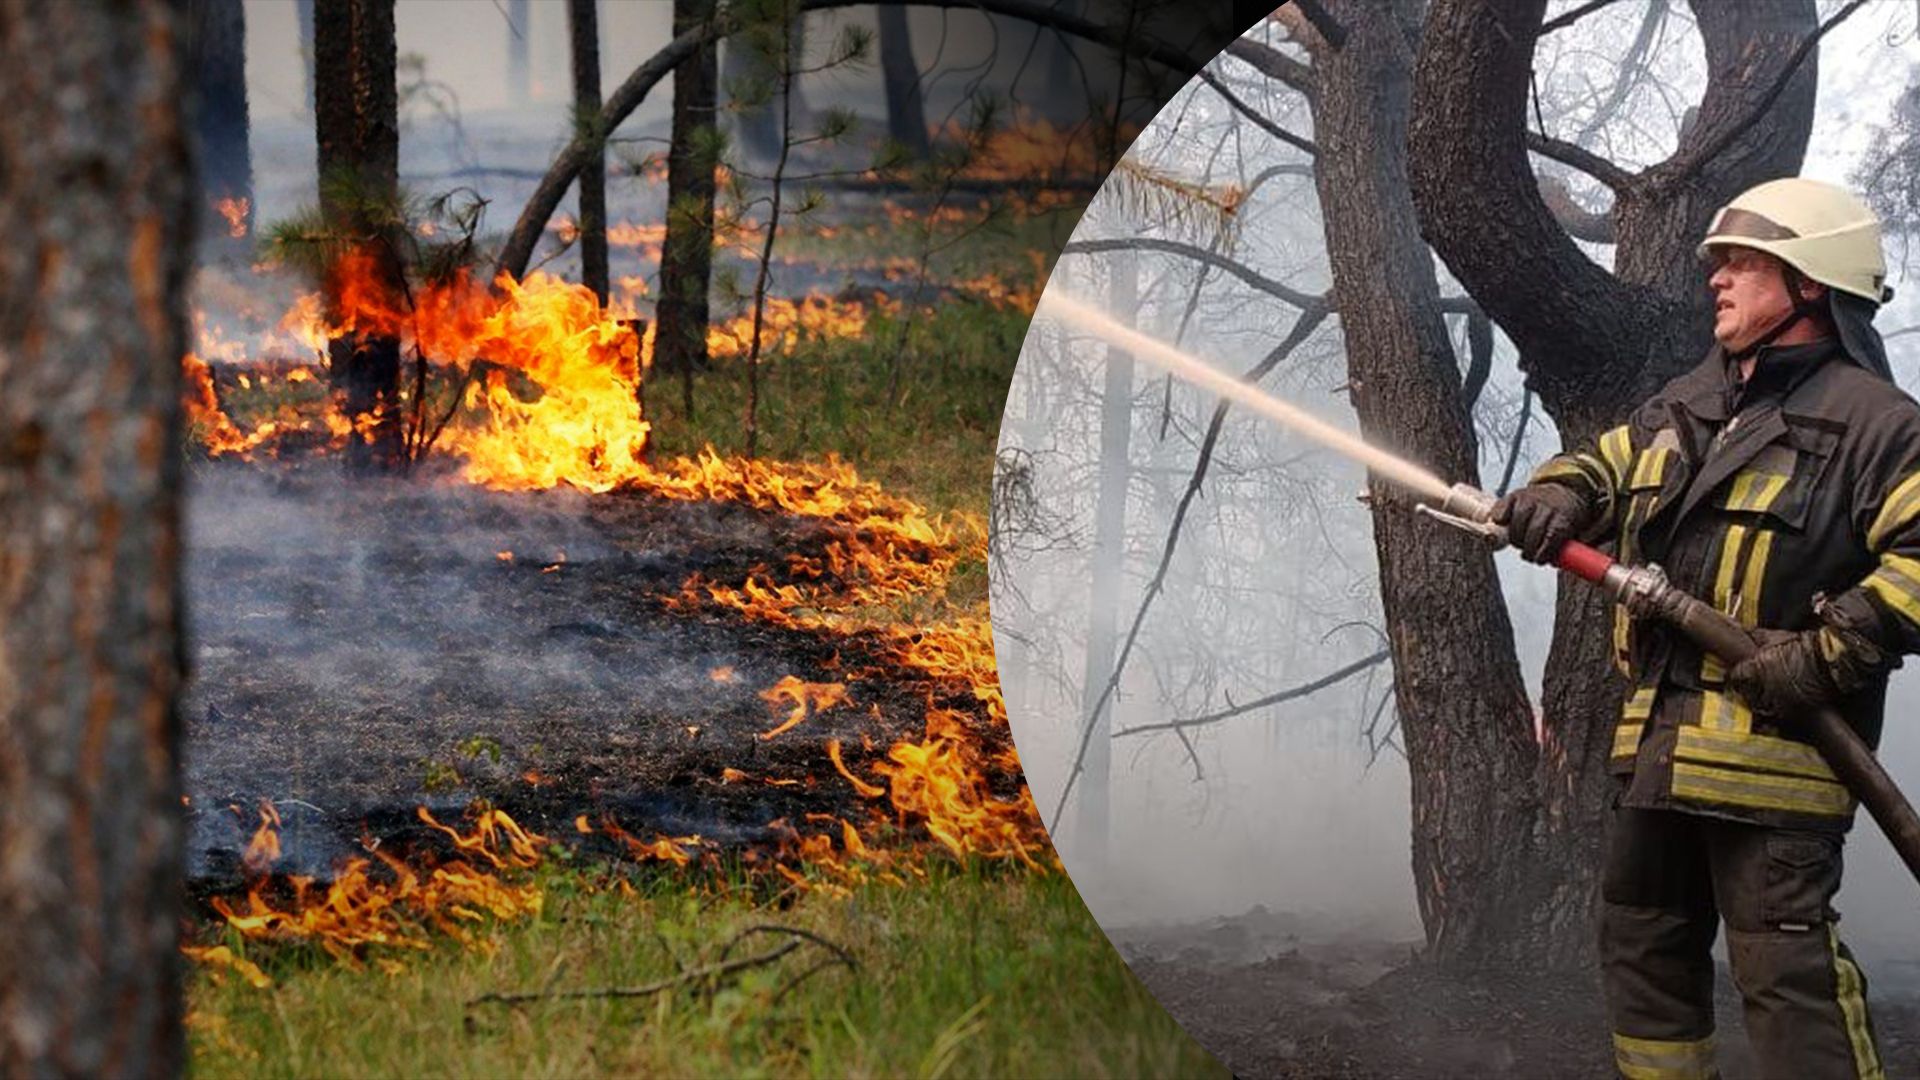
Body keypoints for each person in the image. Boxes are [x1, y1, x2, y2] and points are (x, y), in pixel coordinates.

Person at [1495, 177, 1914, 1080]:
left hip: (1778, 765)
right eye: (1717, 263)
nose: (1716, 279)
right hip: (1657, 756)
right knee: (1642, 955)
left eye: (1741, 263)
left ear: (1809, 280)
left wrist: (1823, 654)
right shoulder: (1692, 404)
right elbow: (1604, 466)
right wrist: (1555, 495)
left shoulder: (1877, 424)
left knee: (1788, 981)